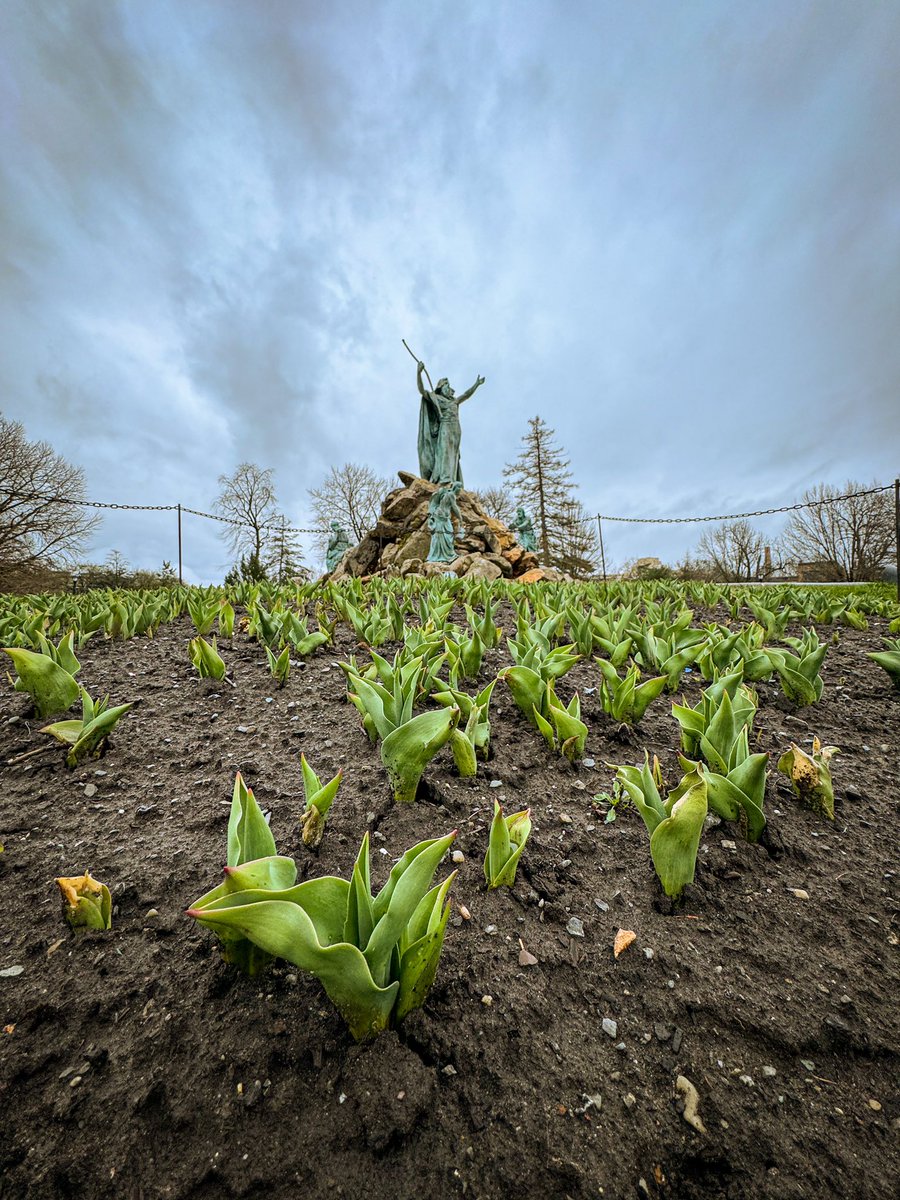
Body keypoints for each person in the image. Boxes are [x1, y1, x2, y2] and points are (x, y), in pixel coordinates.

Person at [417, 361, 485, 485]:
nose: (448, 389)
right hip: (445, 426)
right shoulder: (436, 398)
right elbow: (422, 390)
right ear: (441, 387)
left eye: (449, 386)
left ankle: (452, 478)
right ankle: (444, 479)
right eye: (446, 386)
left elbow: (466, 394)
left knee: (454, 454)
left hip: (456, 429)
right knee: (444, 452)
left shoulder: (454, 401)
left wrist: (476, 384)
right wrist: (418, 373)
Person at [426, 482, 464, 563]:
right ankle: (445, 555)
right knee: (444, 535)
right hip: (441, 517)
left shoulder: (448, 494)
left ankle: (444, 555)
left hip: (442, 517)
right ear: (456, 488)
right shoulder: (451, 494)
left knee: (446, 535)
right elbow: (454, 507)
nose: (460, 491)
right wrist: (460, 518)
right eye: (460, 489)